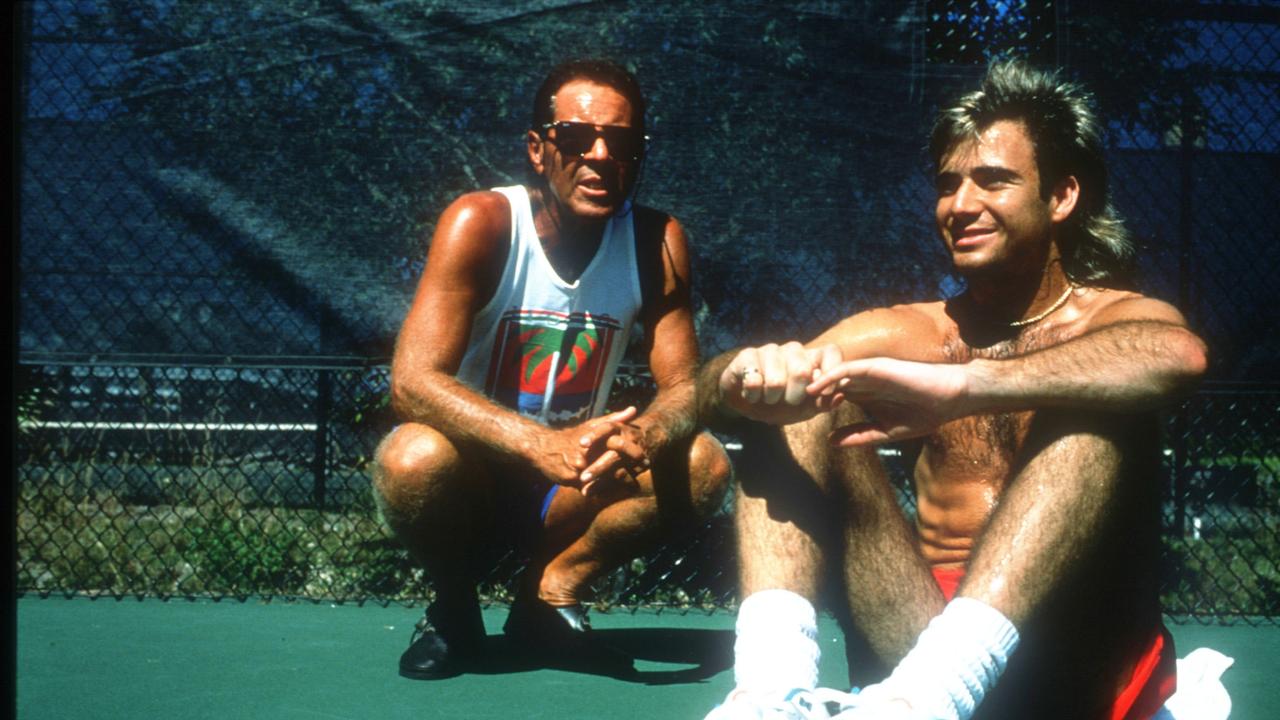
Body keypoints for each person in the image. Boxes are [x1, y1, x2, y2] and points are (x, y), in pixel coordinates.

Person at [699, 60, 1208, 719]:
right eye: (947, 184)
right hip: (916, 663)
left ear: (1061, 197)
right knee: (801, 390)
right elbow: (704, 391)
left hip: (1072, 670)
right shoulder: (911, 330)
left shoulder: (1117, 319)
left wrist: (965, 387)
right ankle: (771, 694)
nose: (960, 205)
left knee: (1095, 402)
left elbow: (1179, 355)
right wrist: (740, 377)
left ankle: (936, 690)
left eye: (992, 180)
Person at [372, 58, 730, 680]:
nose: (598, 155)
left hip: (571, 490)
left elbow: (684, 387)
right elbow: (412, 382)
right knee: (411, 457)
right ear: (539, 149)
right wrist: (538, 444)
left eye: (620, 142)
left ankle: (549, 593)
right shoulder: (480, 223)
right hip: (476, 478)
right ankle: (453, 610)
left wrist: (642, 436)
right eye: (575, 137)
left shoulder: (658, 240)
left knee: (703, 464)